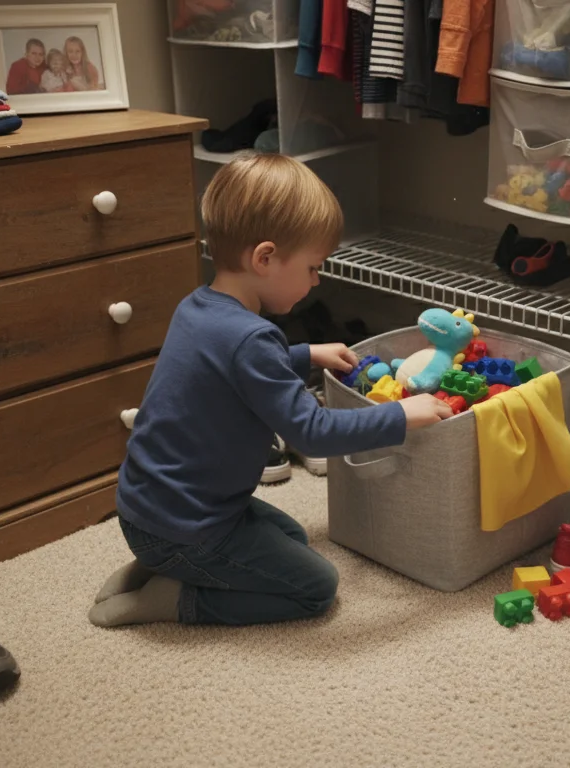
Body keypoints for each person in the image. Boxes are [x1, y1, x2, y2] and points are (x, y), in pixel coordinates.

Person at [88, 154, 453, 628]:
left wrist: (305, 354)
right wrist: (404, 416)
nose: (317, 280)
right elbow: (313, 432)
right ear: (264, 258)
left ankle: (158, 561)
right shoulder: (252, 340)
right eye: (312, 267)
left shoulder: (200, 306)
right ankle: (172, 599)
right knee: (315, 587)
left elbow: (233, 370)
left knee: (291, 536)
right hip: (187, 527)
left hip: (151, 508)